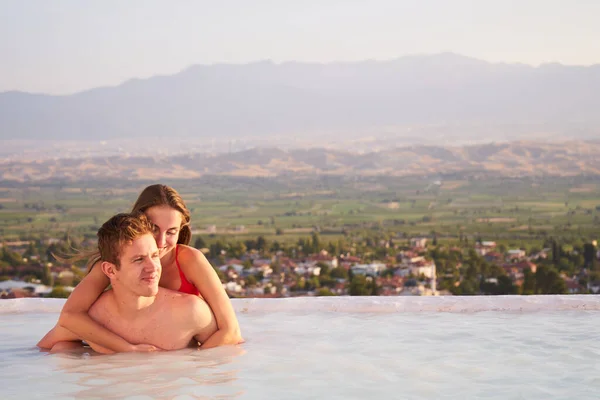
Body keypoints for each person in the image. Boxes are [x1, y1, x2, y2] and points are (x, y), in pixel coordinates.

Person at [38, 184, 243, 352]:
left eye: (171, 231)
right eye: (154, 228)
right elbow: (70, 317)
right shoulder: (109, 266)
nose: (161, 241)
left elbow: (231, 332)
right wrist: (126, 348)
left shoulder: (190, 261)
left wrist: (189, 370)